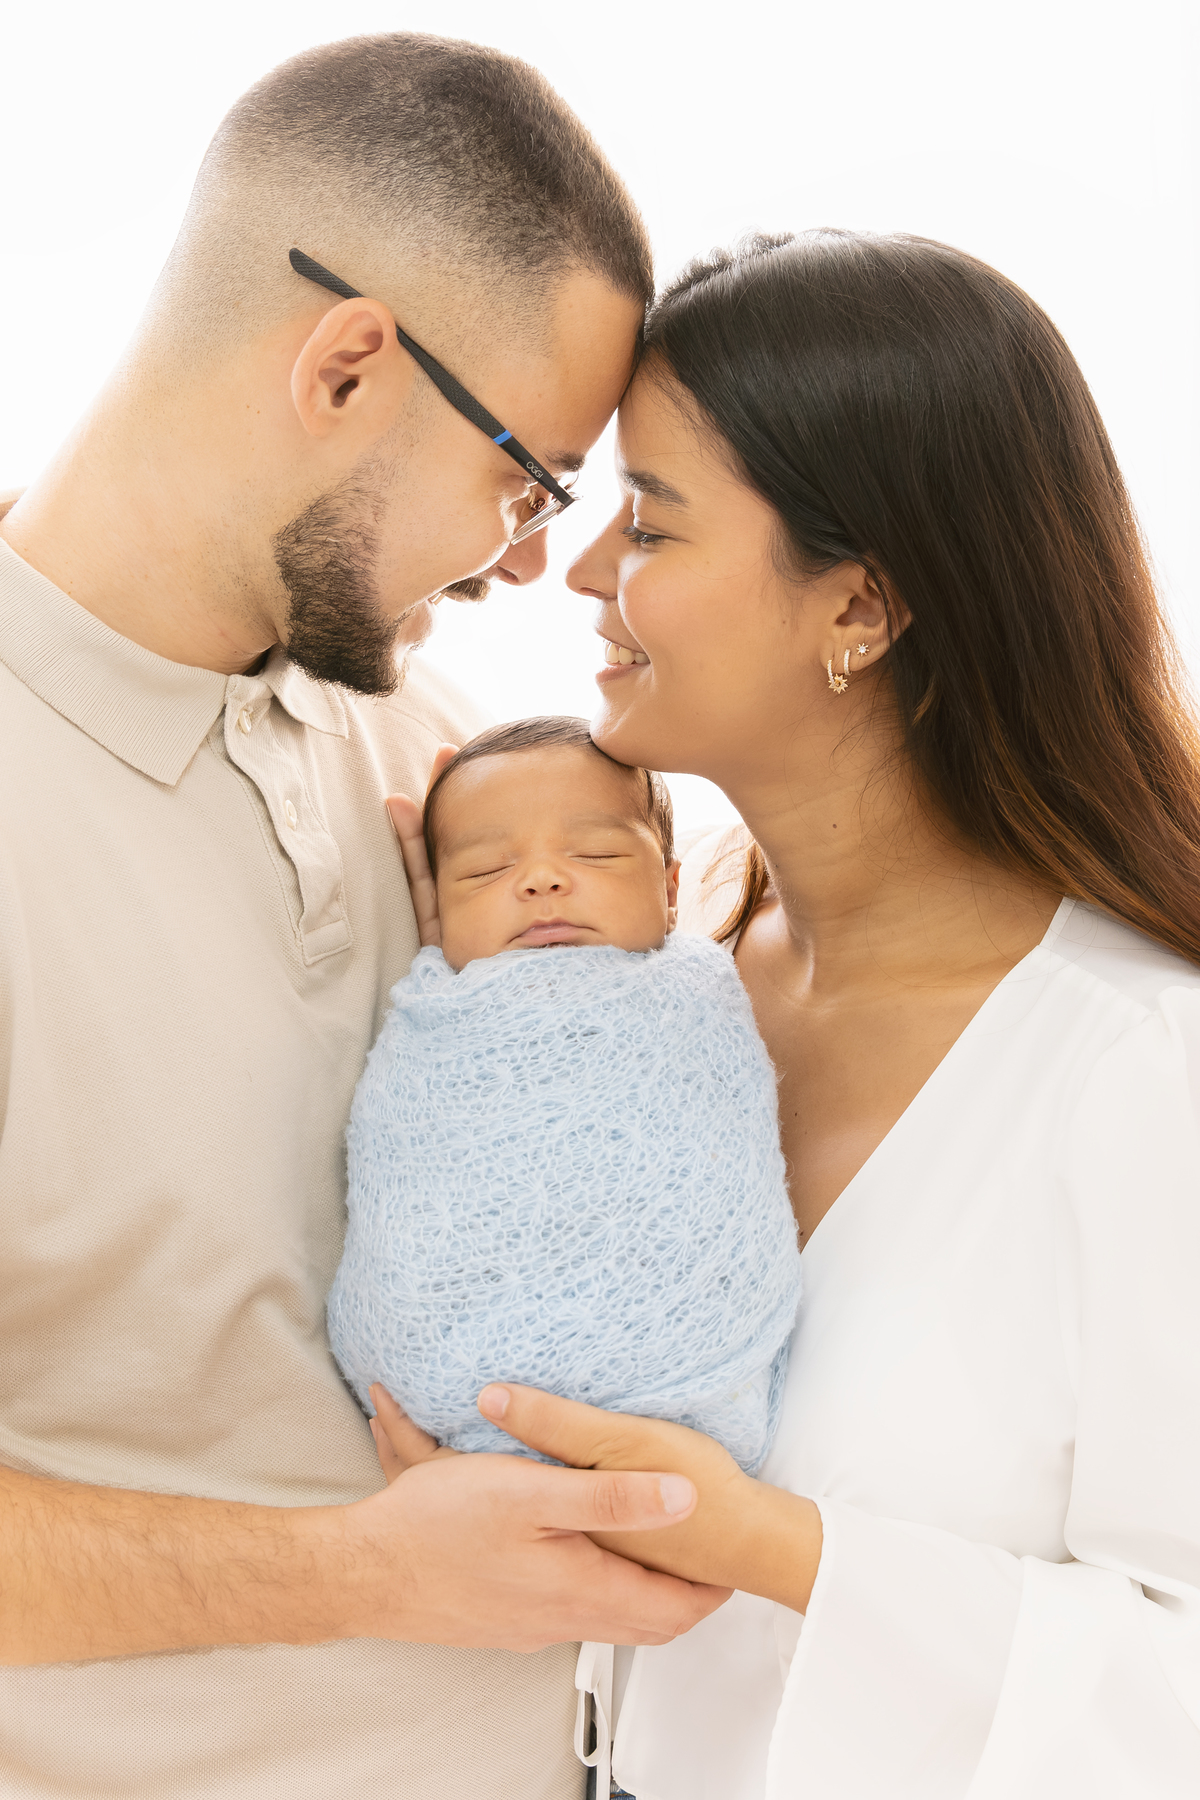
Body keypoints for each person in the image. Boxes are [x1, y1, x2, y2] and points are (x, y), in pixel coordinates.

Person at [377, 228, 1200, 1798]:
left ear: (864, 608)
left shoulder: (1144, 1069)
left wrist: (765, 1545)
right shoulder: (657, 971)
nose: (593, 570)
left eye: (654, 522)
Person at [0, 34, 727, 1800]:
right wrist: (352, 1575)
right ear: (345, 368)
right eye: (530, 481)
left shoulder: (436, 756)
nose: (530, 566)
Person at [326, 715, 800, 1472]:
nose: (541, 881)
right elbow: (410, 1172)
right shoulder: (438, 1021)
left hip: (675, 1402)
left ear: (672, 892)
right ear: (441, 909)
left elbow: (718, 1169)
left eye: (597, 854)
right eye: (483, 871)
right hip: (456, 1407)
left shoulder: (695, 999)